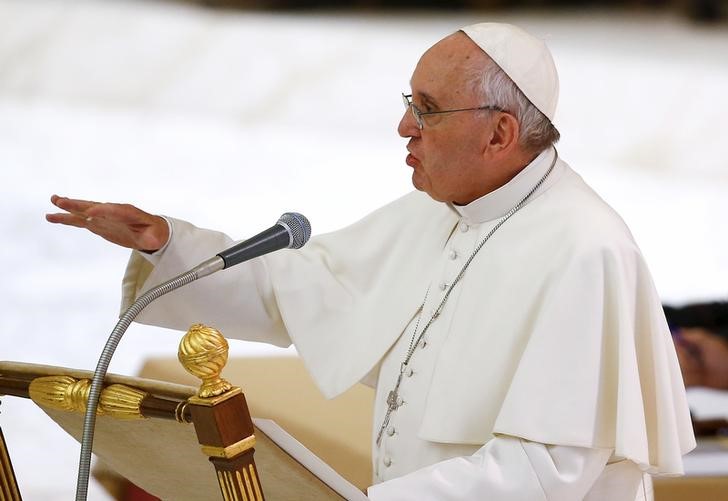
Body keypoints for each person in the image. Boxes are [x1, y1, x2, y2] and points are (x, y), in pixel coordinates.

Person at [46, 22, 695, 500]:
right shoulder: (444, 208)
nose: (404, 127)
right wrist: (169, 243)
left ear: (499, 133)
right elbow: (303, 288)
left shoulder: (585, 248)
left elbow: (548, 471)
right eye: (408, 101)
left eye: (428, 109)